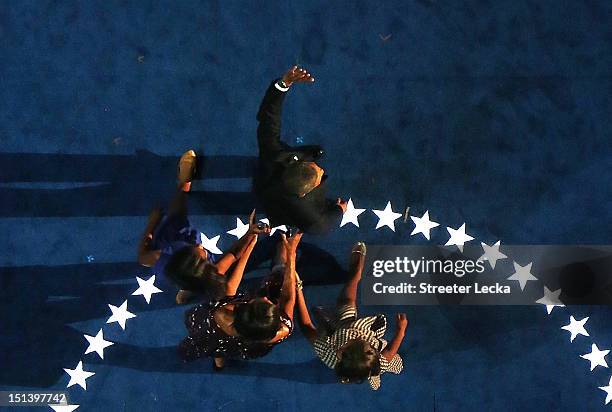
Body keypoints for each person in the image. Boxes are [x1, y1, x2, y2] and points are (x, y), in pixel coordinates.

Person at [137, 149, 270, 304]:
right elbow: (233, 254)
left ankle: (184, 182)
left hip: (171, 237)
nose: (201, 245)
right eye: (205, 256)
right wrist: (250, 233)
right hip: (187, 255)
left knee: (176, 214)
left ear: (180, 254)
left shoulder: (162, 257)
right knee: (179, 217)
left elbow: (141, 256)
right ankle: (188, 288)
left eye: (199, 251)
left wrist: (151, 223)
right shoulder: (212, 272)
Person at [178, 230, 303, 370]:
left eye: (256, 301)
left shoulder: (221, 313)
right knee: (220, 347)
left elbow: (231, 286)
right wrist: (290, 256)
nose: (265, 297)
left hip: (213, 335)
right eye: (269, 302)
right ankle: (219, 359)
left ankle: (218, 359)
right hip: (238, 347)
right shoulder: (283, 330)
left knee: (214, 346)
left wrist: (249, 248)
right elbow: (287, 297)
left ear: (242, 311)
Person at [295, 241, 408, 390]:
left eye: (356, 342)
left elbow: (306, 326)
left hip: (338, 333)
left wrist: (297, 288)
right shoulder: (376, 359)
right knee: (346, 301)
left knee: (326, 324)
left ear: (341, 351)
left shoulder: (327, 352)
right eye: (371, 350)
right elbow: (389, 353)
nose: (362, 341)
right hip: (353, 327)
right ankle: (356, 274)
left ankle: (362, 371)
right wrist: (401, 331)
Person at [254, 65, 348, 234]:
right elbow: (323, 225)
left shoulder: (273, 153)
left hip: (265, 186)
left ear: (294, 165)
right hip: (278, 208)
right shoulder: (309, 216)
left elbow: (269, 118)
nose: (321, 169)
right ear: (304, 194)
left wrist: (284, 83)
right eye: (319, 174)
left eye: (314, 167)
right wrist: (339, 210)